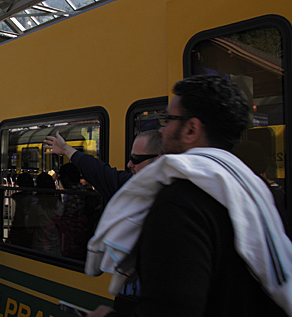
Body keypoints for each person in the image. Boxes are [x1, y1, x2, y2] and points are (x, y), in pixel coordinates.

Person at [86, 75, 292, 316]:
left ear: (191, 129)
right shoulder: (259, 193)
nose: (162, 130)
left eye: (168, 120)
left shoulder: (179, 204)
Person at [44, 130, 162, 202]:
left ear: (159, 160)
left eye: (136, 159)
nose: (129, 164)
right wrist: (66, 149)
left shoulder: (169, 200)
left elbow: (102, 174)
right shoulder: (133, 185)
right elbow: (100, 172)